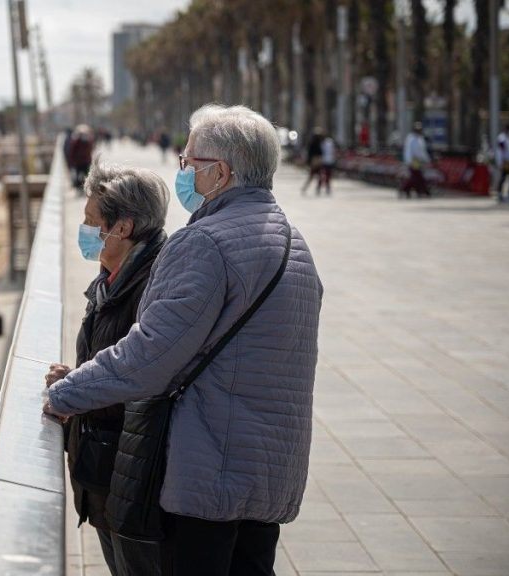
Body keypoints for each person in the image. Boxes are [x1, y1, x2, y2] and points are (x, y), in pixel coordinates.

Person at [44, 104, 323, 576]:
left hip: (208, 475)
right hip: (270, 474)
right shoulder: (294, 244)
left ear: (221, 173)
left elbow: (149, 355)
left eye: (189, 162)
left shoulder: (205, 242)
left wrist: (66, 393)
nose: (183, 172)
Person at [44, 159, 169, 575]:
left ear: (123, 227)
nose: (84, 229)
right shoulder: (111, 280)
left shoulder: (152, 286)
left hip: (131, 480)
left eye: (91, 221)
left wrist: (78, 391)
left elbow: (141, 377)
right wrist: (77, 380)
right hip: (104, 474)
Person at [401, 122, 432, 198]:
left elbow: (422, 151)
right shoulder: (412, 139)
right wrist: (410, 161)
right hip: (413, 161)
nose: (419, 131)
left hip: (418, 161)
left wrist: (427, 159)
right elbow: (414, 151)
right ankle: (408, 189)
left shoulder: (419, 139)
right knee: (416, 176)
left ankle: (416, 190)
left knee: (417, 177)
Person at [70, 125, 96, 191]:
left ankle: (86, 185)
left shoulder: (88, 141)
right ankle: (79, 185)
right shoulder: (77, 141)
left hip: (85, 161)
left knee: (86, 174)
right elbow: (73, 151)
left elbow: (90, 150)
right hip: (79, 161)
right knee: (79, 174)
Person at [495, 124, 509, 203]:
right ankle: (501, 194)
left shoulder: (508, 138)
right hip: (505, 161)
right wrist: (501, 162)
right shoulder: (502, 138)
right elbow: (501, 151)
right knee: (504, 177)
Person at [301, 128, 325, 195]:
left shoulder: (319, 143)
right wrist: (310, 162)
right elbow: (311, 154)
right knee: (313, 177)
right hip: (315, 162)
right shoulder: (313, 144)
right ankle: (306, 188)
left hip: (317, 162)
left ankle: (317, 189)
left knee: (318, 177)